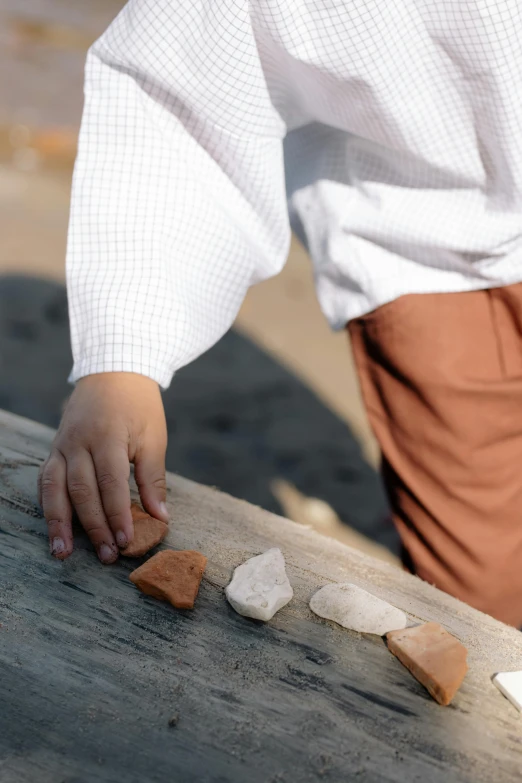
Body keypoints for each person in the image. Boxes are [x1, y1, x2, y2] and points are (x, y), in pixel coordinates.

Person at [38, 0, 522, 627]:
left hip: (421, 253)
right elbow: (182, 100)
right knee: (479, 581)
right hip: (421, 257)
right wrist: (123, 358)